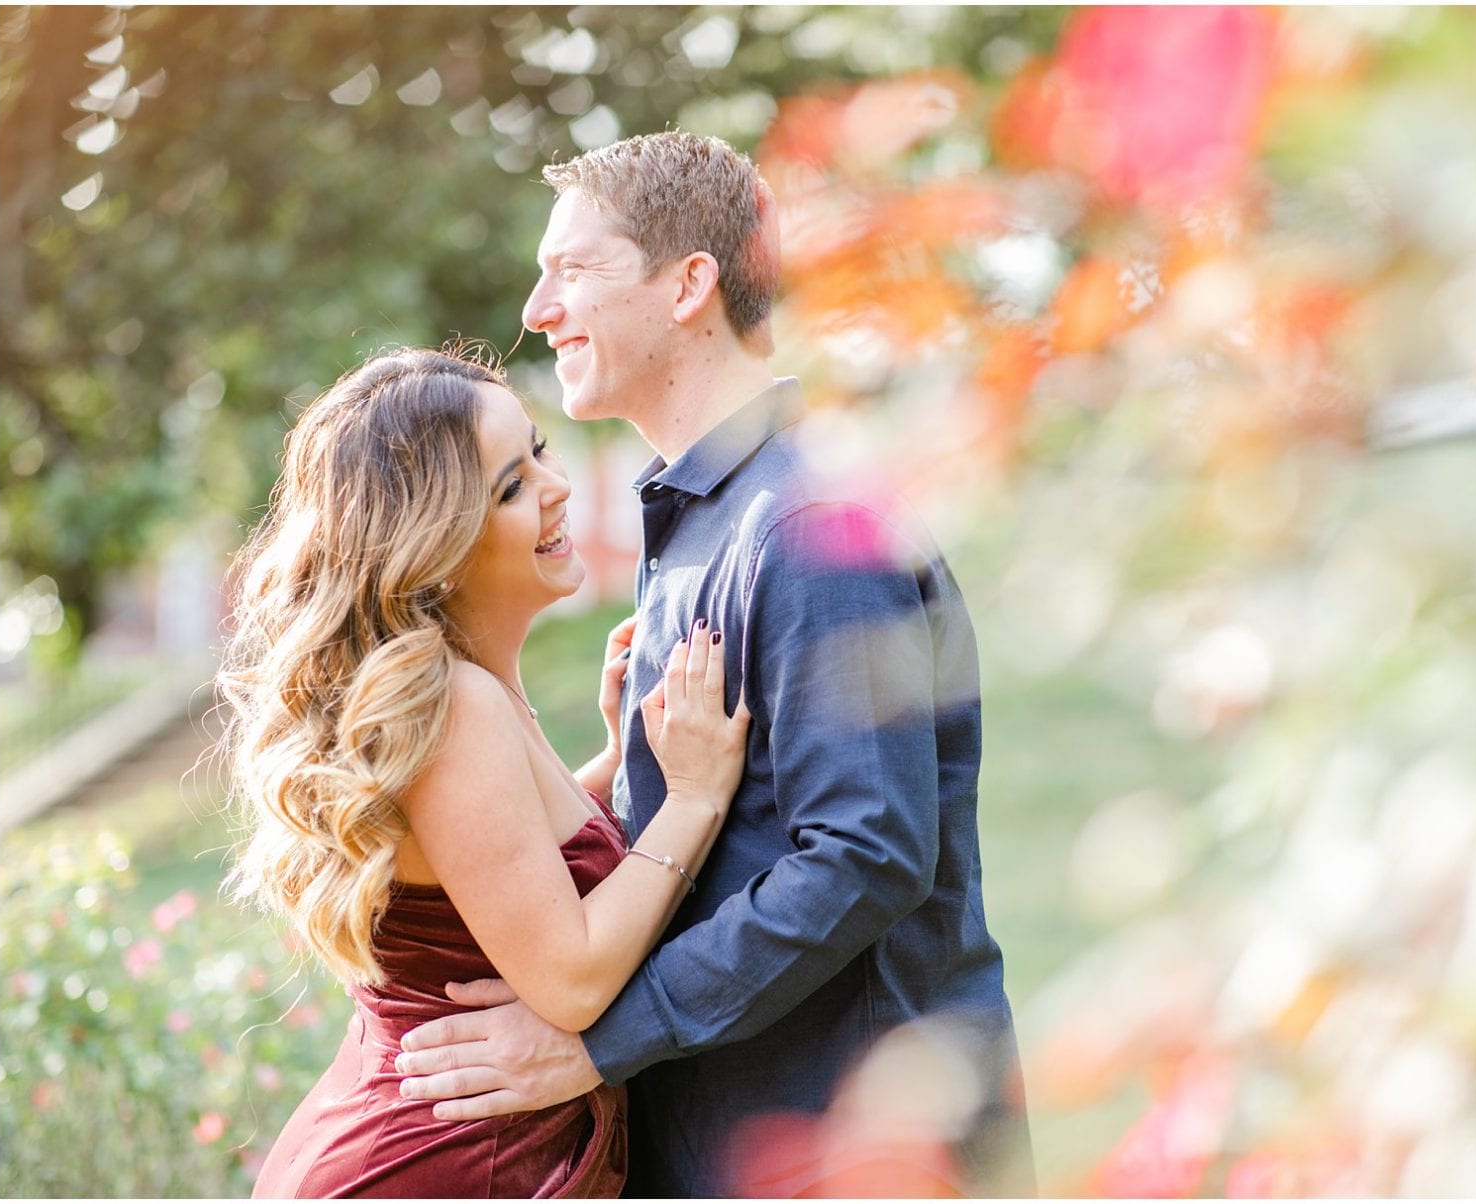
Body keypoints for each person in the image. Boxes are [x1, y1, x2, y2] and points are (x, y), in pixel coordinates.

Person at [395, 132, 1035, 1195]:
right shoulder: (707, 516)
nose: (536, 308)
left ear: (690, 284)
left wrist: (600, 1043)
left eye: (575, 268)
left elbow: (864, 856)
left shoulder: (812, 525)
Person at [219, 347, 750, 1197]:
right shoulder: (453, 705)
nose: (557, 486)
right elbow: (569, 979)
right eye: (510, 487)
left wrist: (615, 768)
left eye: (538, 450)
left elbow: (488, 876)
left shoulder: (466, 692)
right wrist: (689, 800)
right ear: (436, 543)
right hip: (439, 1170)